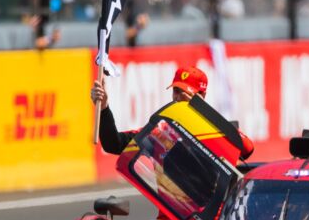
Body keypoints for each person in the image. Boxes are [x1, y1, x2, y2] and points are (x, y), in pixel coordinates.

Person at [91, 65, 254, 160]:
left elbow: (247, 148)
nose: (178, 98)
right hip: (172, 214)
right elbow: (113, 144)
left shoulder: (214, 128)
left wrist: (200, 109)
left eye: (186, 94)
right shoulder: (161, 130)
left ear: (202, 96)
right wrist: (104, 107)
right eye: (176, 91)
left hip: (210, 215)